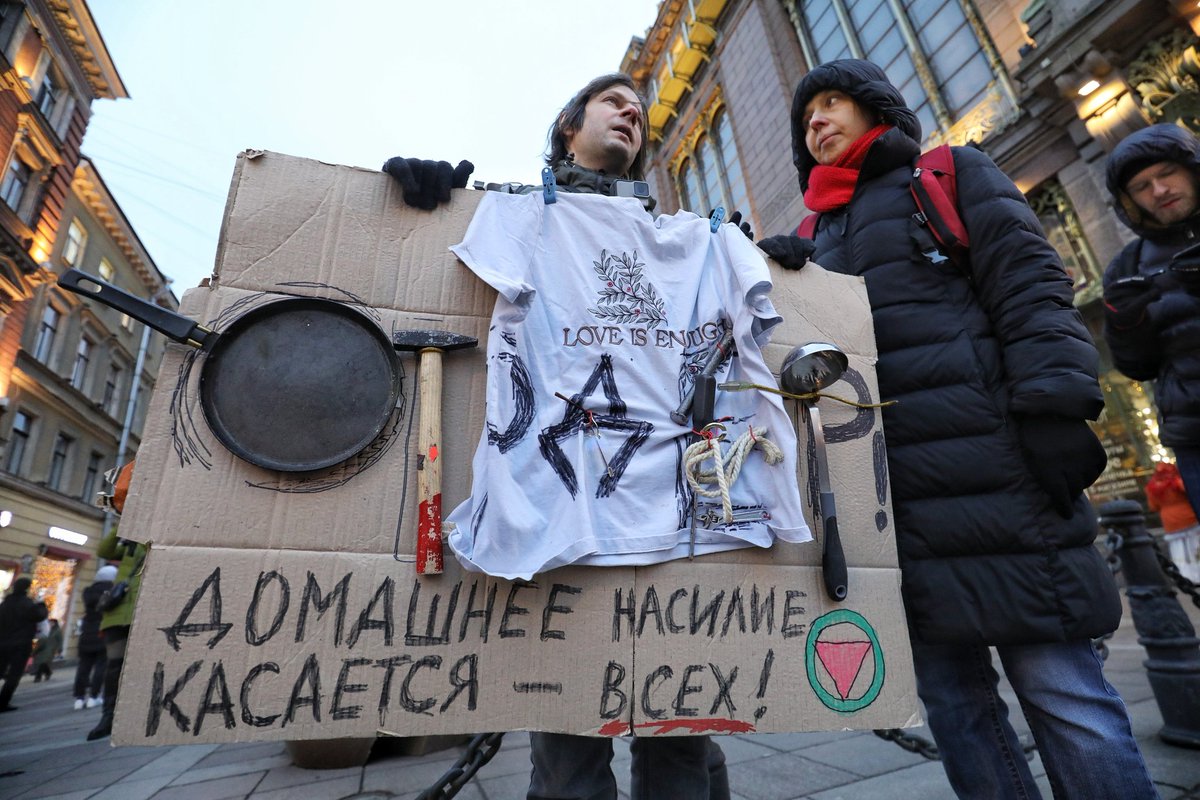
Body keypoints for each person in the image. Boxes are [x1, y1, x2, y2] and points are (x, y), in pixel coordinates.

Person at [757, 59, 1156, 800]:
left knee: (1063, 692)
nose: (815, 120)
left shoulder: (947, 175)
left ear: (875, 107)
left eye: (832, 102)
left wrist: (1055, 408)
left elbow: (1029, 287)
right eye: (805, 116)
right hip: (891, 510)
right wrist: (778, 285)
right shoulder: (813, 235)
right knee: (954, 709)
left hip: (999, 478)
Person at [385, 73, 733, 800]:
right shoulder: (520, 213)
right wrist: (429, 203)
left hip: (666, 520)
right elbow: (415, 272)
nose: (632, 110)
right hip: (555, 525)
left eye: (639, 110)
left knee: (681, 747)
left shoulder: (681, 240)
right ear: (568, 126)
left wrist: (783, 265)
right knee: (569, 759)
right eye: (612, 100)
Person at [1101, 122, 1200, 518]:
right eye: (1142, 186)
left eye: (1167, 173)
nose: (1159, 190)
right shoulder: (1127, 266)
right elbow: (1137, 366)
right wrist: (1125, 324)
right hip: (1195, 433)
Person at [87, 530, 146, 741]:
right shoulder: (129, 545)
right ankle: (108, 716)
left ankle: (137, 712)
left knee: (141, 665)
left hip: (143, 612)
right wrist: (122, 525)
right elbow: (104, 550)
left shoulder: (153, 543)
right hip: (117, 613)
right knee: (114, 666)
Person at [0, 577, 48, 711]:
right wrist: (41, 604)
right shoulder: (27, 604)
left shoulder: (5, 604)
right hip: (21, 644)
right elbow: (40, 615)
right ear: (27, 589)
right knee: (14, 674)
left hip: (2, 643)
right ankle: (3, 702)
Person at [72, 564, 116, 710]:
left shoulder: (88, 592)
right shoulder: (111, 591)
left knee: (83, 667)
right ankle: (94, 697)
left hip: (86, 632)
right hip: (103, 631)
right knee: (101, 666)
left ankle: (79, 698)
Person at [30, 618, 62, 682]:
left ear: (55, 624)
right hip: (41, 648)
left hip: (50, 649)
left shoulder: (57, 631)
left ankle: (38, 677)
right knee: (42, 663)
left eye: (52, 623)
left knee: (42, 662)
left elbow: (60, 641)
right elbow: (37, 639)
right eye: (49, 623)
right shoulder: (46, 630)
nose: (50, 624)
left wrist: (59, 649)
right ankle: (48, 672)